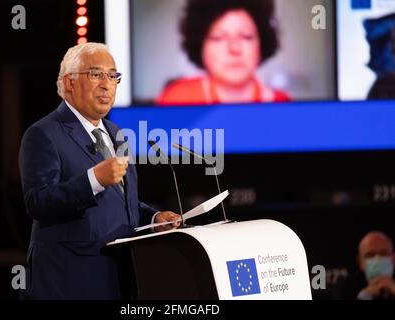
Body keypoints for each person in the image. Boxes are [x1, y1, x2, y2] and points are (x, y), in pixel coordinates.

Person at [18, 42, 181, 300]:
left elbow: (121, 203)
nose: (107, 84)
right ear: (69, 82)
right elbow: (38, 202)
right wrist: (94, 179)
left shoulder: (117, 135)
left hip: (119, 279)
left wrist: (154, 219)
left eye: (113, 76)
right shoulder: (43, 134)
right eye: (96, 75)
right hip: (69, 282)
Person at [156, 0, 290, 106]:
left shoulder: (282, 103)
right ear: (200, 46)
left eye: (246, 36)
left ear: (262, 43)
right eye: (218, 37)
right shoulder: (177, 99)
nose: (234, 48)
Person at [334, 231, 395, 300]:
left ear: (393, 258)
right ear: (360, 262)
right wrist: (364, 296)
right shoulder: (346, 286)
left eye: (383, 253)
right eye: (370, 255)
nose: (377, 259)